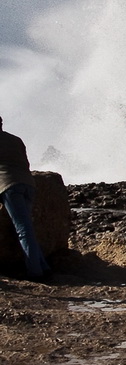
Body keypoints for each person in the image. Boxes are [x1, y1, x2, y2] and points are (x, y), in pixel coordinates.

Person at [0, 116, 51, 281]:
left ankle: (35, 273)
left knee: (23, 230)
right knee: (26, 228)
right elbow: (25, 163)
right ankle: (43, 266)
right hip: (28, 184)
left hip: (9, 186)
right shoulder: (16, 140)